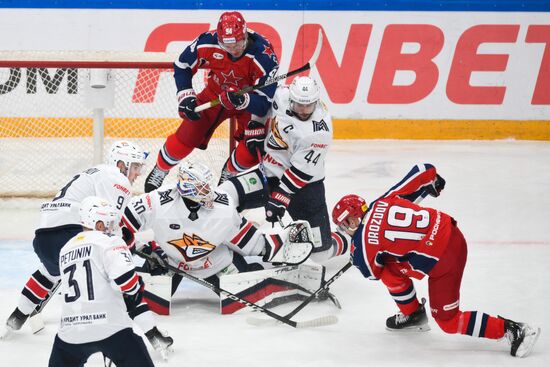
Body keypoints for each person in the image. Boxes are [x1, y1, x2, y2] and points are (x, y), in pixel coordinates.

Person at [331, 163, 541, 358]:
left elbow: (372, 273)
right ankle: (413, 315)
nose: (345, 230)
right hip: (453, 232)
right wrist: (433, 180)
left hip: (444, 260)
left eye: (343, 225)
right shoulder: (384, 200)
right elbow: (423, 170)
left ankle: (515, 331)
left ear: (352, 218)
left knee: (447, 320)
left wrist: (356, 254)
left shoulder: (363, 246)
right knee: (392, 264)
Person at [3, 140, 147, 337]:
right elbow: (109, 226)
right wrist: (129, 244)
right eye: (136, 166)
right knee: (105, 270)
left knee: (48, 274)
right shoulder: (118, 179)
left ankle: (16, 318)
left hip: (44, 235)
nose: (138, 173)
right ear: (121, 164)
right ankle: (120, 330)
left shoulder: (94, 172)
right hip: (71, 232)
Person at [123, 160, 314, 294]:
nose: (209, 193)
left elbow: (245, 239)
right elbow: (124, 225)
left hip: (215, 263)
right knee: (139, 296)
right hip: (170, 263)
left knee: (249, 287)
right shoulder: (157, 201)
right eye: (202, 189)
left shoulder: (223, 207)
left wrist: (274, 246)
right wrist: (145, 248)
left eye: (208, 186)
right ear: (188, 189)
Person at [144, 10, 279, 193]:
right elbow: (182, 64)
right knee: (187, 135)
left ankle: (229, 173)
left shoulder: (265, 55)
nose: (233, 50)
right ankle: (160, 169)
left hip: (250, 104)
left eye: (238, 44)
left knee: (252, 149)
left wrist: (243, 100)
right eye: (226, 46)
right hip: (215, 95)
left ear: (245, 34)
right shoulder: (208, 40)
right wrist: (186, 95)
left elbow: (264, 104)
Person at [241, 76, 349, 263]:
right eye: (299, 105)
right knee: (231, 197)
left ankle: (347, 238)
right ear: (291, 99)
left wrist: (279, 198)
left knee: (320, 253)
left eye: (309, 106)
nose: (304, 111)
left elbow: (301, 172)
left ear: (316, 102)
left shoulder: (319, 133)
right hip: (268, 172)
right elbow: (263, 105)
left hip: (305, 187)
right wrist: (256, 125)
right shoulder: (281, 95)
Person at [48, 196, 155, 366]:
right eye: (109, 223)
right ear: (98, 225)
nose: (112, 228)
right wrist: (137, 286)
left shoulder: (65, 248)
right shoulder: (110, 242)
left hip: (70, 332)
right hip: (110, 327)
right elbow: (127, 283)